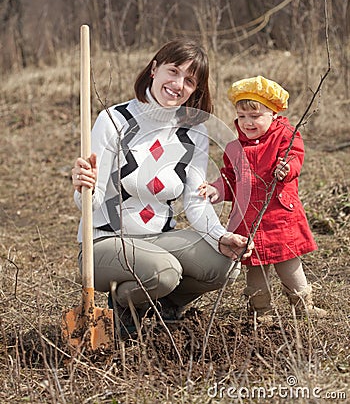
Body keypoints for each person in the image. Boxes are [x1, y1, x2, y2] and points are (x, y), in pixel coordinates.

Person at [71, 39, 253, 334]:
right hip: (105, 243)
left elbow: (195, 202)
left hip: (158, 239)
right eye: (173, 71)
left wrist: (220, 236)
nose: (178, 84)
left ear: (196, 90)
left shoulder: (194, 133)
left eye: (190, 80)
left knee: (226, 264)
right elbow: (91, 203)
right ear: (154, 69)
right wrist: (83, 188)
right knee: (165, 271)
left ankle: (158, 306)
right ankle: (124, 304)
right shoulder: (114, 120)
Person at [199, 75, 326, 321]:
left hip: (280, 216)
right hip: (248, 219)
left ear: (273, 114)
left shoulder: (285, 137)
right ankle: (261, 310)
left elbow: (294, 158)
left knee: (288, 263)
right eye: (242, 116)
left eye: (255, 116)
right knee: (255, 266)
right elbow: (230, 179)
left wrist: (286, 168)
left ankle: (303, 305)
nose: (247, 122)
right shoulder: (235, 148)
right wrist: (217, 189)